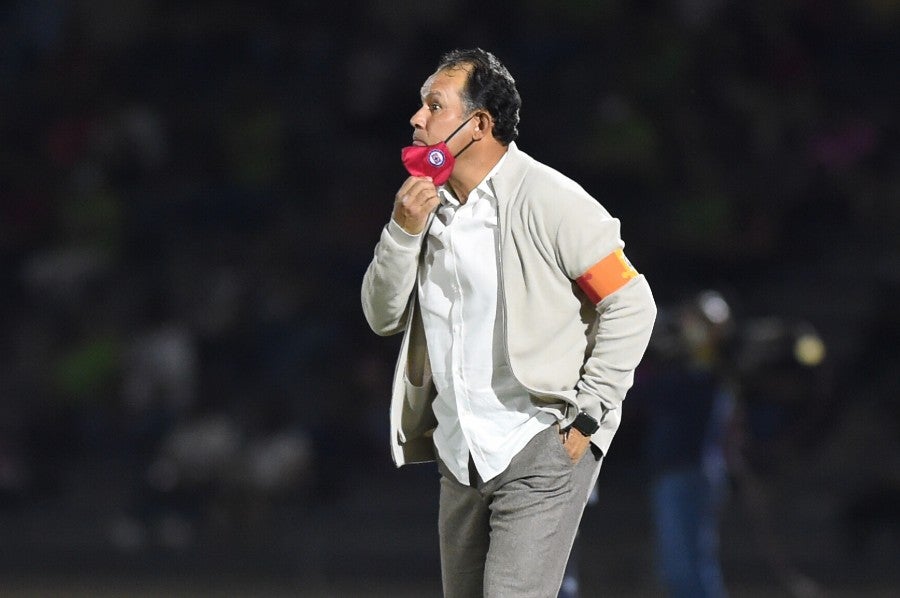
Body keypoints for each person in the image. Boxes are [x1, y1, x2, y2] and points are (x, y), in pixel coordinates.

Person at [361, 48, 657, 598]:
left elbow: (632, 304)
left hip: (539, 442)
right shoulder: (425, 208)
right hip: (459, 454)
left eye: (433, 105)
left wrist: (587, 418)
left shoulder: (552, 200)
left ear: (478, 125)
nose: (416, 119)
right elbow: (382, 316)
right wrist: (402, 232)